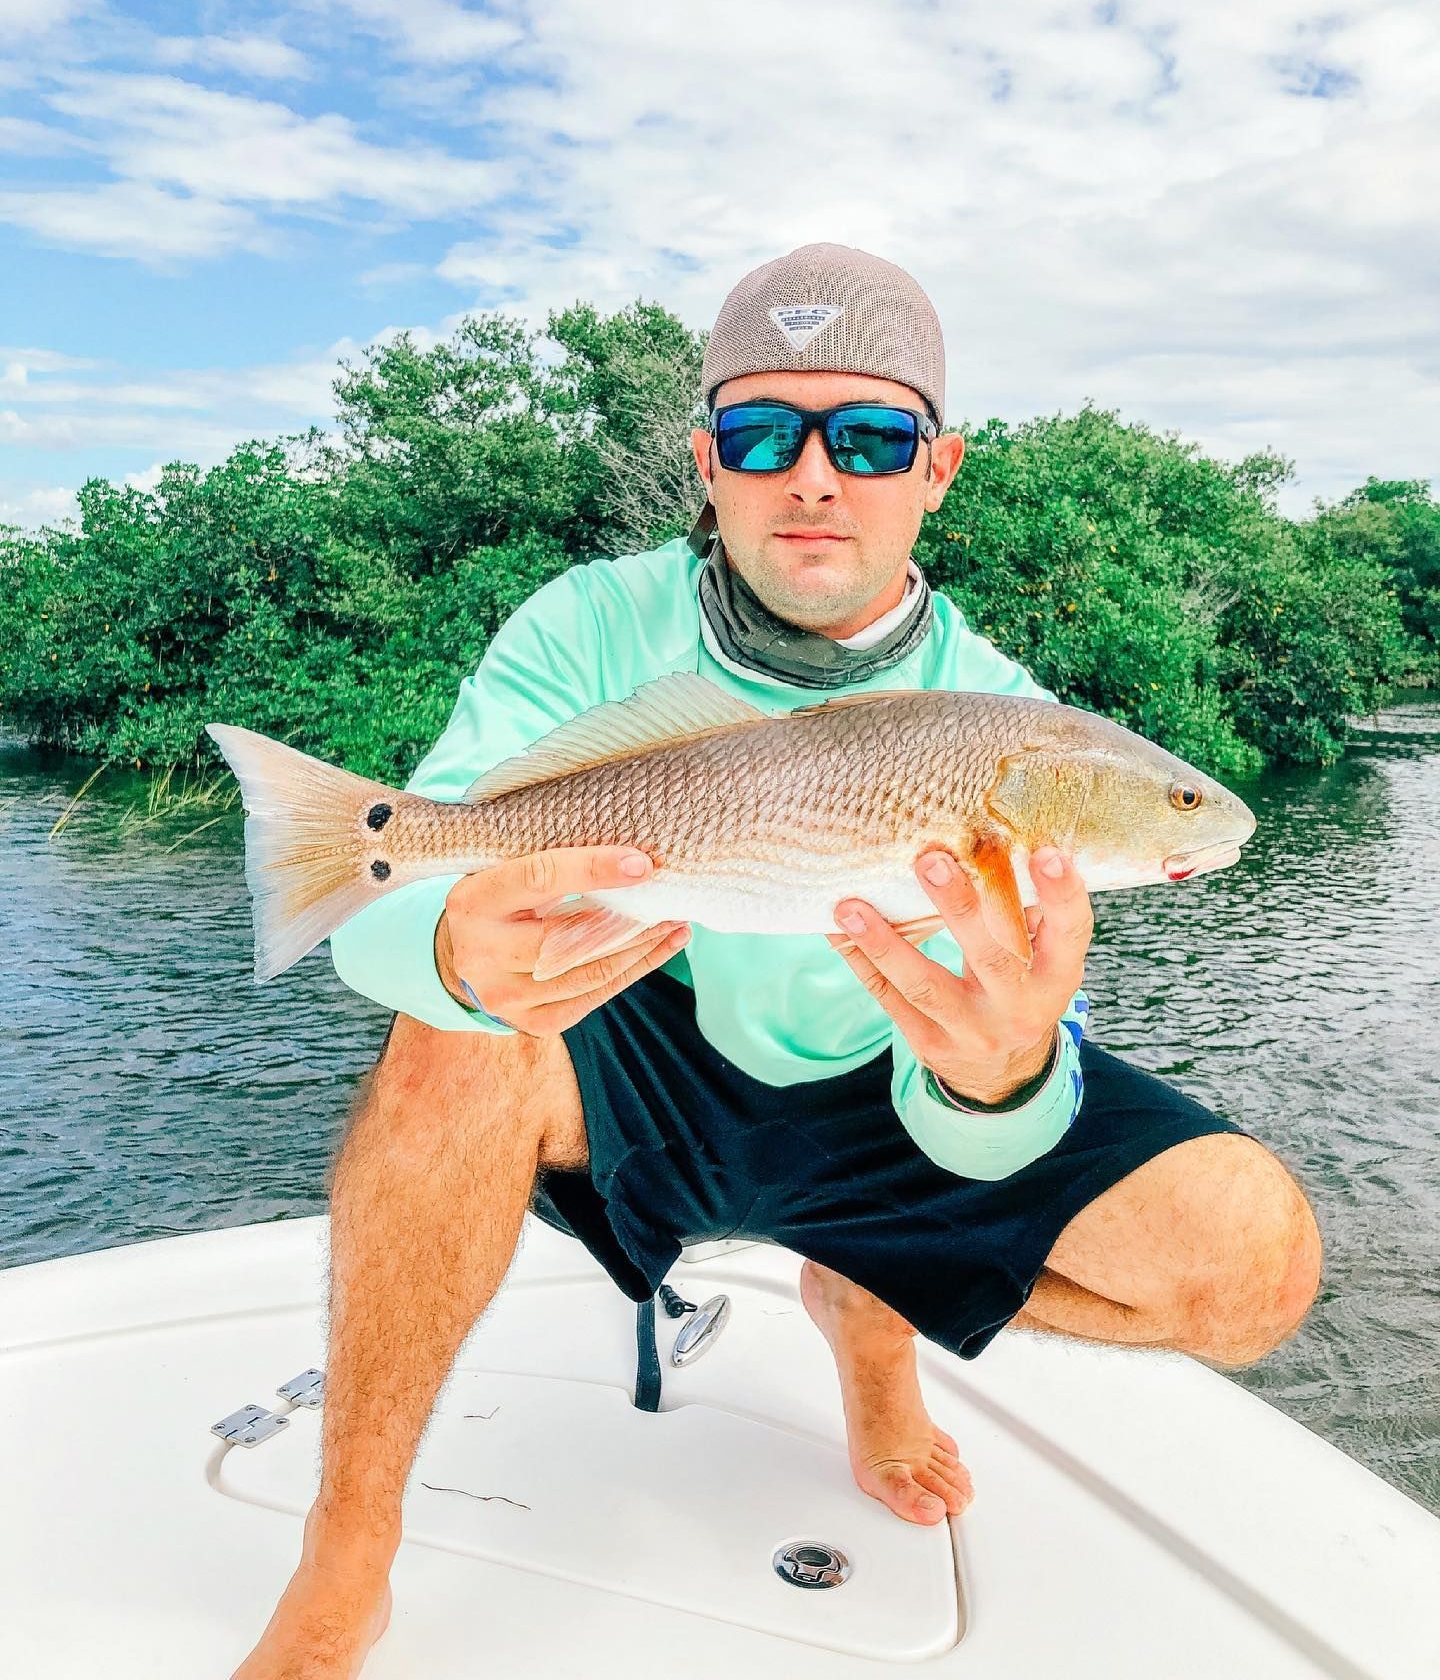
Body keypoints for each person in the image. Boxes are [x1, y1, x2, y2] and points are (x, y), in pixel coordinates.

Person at [232, 244, 1322, 1679]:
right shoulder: (590, 624)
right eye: (763, 433)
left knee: (1256, 1267)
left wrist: (995, 1079)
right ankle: (347, 1553)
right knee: (452, 1037)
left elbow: (1005, 1078)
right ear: (708, 461)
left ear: (936, 468)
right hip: (637, 1038)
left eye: (869, 436)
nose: (814, 473)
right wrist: (444, 941)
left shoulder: (1010, 719)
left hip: (884, 1081)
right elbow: (393, 915)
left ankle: (867, 1315)